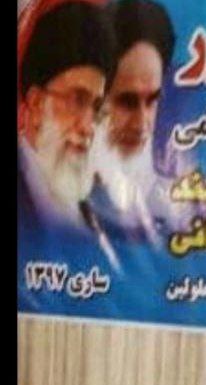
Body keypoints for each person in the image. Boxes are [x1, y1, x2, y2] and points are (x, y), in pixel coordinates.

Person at [18, 0, 122, 271]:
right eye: (77, 100)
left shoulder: (96, 210)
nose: (88, 126)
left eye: (96, 108)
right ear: (37, 103)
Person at [87, 0, 177, 246]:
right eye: (127, 102)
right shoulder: (48, 198)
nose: (142, 124)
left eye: (152, 100)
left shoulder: (172, 208)